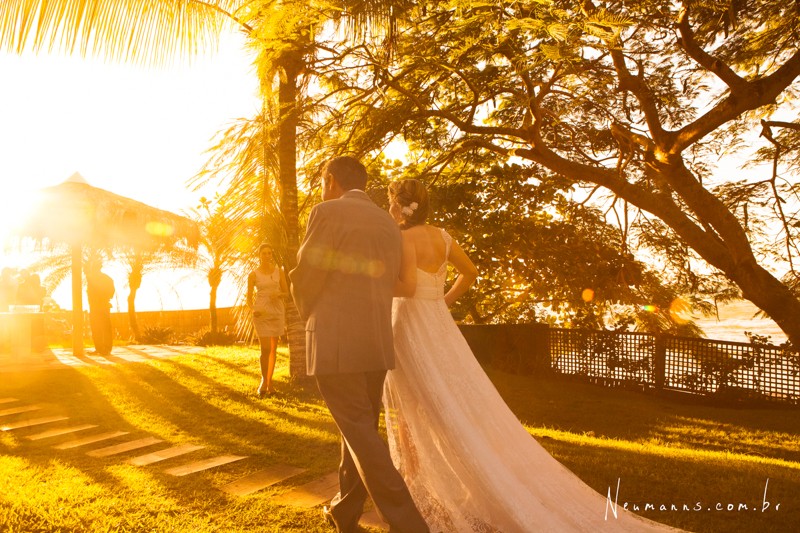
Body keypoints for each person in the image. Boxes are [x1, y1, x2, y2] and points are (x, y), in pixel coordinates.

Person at [383, 179, 683, 532]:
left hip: (411, 324)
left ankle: (410, 481)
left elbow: (407, 287)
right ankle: (418, 478)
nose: (388, 206)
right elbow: (471, 273)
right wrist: (443, 301)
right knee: (446, 399)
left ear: (398, 205)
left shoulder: (403, 238)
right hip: (437, 322)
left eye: (389, 200)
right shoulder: (443, 237)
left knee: (411, 403)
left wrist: (372, 278)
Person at [290, 156, 429, 533]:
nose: (321, 190)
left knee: (361, 434)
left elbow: (307, 274)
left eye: (321, 182)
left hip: (336, 344)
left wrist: (311, 318)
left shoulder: (325, 212)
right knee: (359, 429)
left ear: (330, 181)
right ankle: (345, 513)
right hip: (376, 343)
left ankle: (410, 524)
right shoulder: (389, 222)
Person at [246, 244, 287, 397]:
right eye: (264, 253)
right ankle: (264, 380)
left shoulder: (279, 272)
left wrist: (279, 295)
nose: (267, 255)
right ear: (259, 255)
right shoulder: (253, 275)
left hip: (276, 311)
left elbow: (287, 292)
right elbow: (249, 298)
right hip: (261, 312)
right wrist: (253, 310)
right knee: (265, 349)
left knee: (273, 349)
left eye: (269, 253)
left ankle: (270, 383)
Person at [86, 260, 115, 356]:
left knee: (100, 327)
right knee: (100, 327)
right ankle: (101, 348)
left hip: (98, 306)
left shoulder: (95, 279)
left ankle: (104, 348)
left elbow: (109, 292)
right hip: (98, 305)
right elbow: (111, 292)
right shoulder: (106, 278)